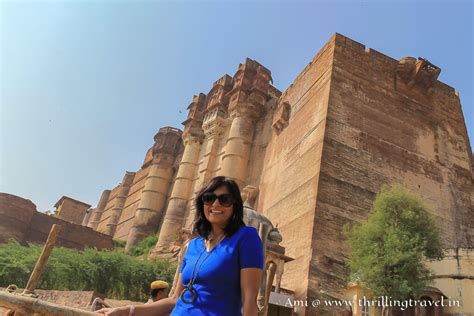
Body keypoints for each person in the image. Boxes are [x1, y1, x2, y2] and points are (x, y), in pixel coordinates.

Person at [97, 176, 264, 316]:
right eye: (209, 198)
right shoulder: (192, 246)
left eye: (225, 199)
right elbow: (176, 299)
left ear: (235, 206)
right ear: (202, 204)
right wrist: (127, 310)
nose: (215, 204)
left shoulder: (246, 237)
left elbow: (249, 299)